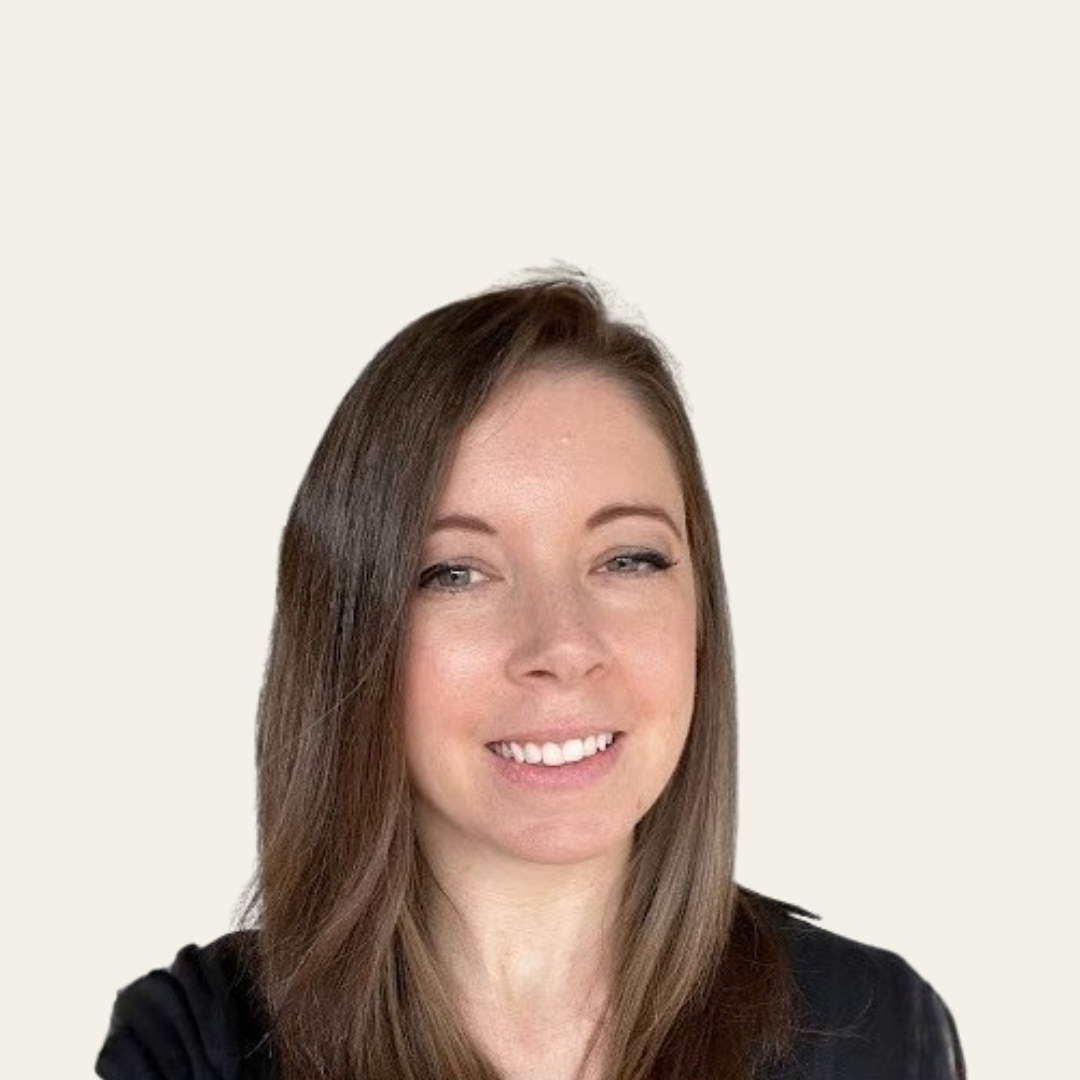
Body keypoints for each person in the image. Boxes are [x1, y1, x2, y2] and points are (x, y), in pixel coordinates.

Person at [97, 273, 965, 1079]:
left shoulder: (880, 1032)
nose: (563, 642)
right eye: (456, 573)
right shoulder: (195, 1050)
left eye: (628, 558)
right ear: (350, 634)